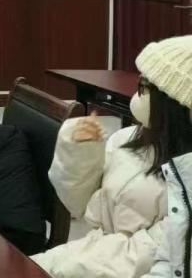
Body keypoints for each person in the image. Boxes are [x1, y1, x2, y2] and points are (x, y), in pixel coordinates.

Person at [34, 35, 192, 278]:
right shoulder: (129, 139)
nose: (137, 96)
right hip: (94, 259)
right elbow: (79, 206)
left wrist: (59, 265)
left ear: (176, 107)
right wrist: (82, 153)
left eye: (145, 87)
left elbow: (147, 257)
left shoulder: (185, 178)